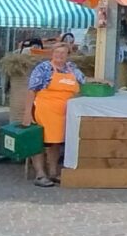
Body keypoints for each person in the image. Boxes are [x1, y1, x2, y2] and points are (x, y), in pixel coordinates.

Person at [22, 43, 85, 187]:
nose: (60, 55)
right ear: (52, 54)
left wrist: (101, 81)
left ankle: (53, 173)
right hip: (44, 111)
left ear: (68, 55)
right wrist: (27, 113)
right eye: (57, 52)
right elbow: (32, 90)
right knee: (39, 142)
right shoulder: (44, 68)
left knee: (56, 142)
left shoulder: (72, 69)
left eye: (63, 53)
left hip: (63, 114)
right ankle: (40, 175)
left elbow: (84, 81)